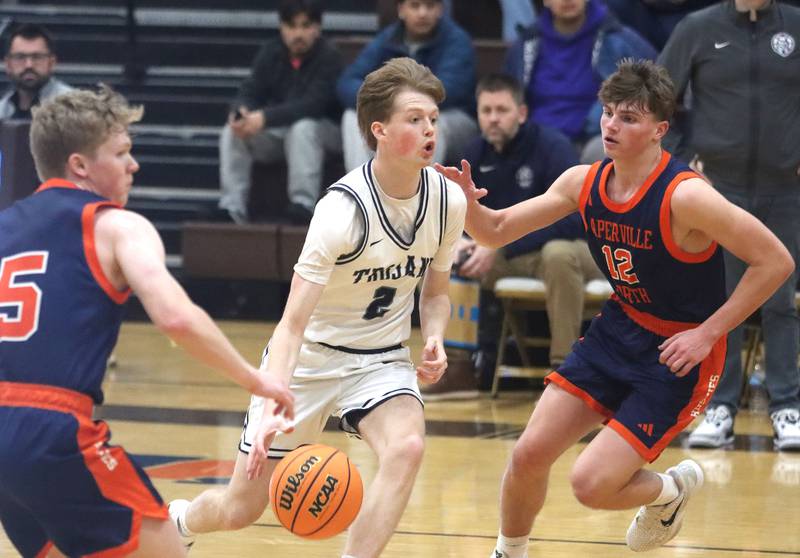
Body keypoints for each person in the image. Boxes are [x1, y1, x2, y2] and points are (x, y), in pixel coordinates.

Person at [436, 59, 793, 556]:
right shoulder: (583, 181)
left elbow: (775, 261)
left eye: (628, 117)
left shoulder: (687, 197)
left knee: (590, 484)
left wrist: (708, 333)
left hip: (678, 352)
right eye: (607, 113)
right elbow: (496, 231)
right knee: (528, 455)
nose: (611, 125)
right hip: (619, 329)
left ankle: (670, 492)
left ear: (659, 131)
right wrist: (469, 204)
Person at [169, 57, 466, 558]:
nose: (429, 129)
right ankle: (180, 522)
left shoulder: (446, 201)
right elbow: (291, 325)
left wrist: (434, 335)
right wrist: (269, 403)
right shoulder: (340, 212)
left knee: (407, 447)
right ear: (381, 130)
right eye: (415, 119)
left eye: (433, 119)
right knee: (241, 510)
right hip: (310, 359)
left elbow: (435, 292)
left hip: (380, 359)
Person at [0, 87, 294, 558]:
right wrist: (255, 380)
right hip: (53, 432)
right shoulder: (116, 225)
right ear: (80, 165)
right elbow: (176, 318)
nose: (133, 166)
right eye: (121, 153)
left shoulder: (5, 225)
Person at [658, 0, 800, 451]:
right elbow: (659, 100)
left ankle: (786, 406)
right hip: (720, 191)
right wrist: (681, 165)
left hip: (785, 188)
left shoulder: (796, 26)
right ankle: (718, 405)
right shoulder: (697, 28)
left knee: (781, 300)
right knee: (723, 302)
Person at [424, 73, 601, 398]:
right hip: (508, 252)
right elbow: (450, 207)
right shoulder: (472, 153)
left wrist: (497, 242)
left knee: (558, 254)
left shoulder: (552, 147)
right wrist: (462, 239)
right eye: (486, 111)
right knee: (452, 256)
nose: (493, 119)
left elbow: (576, 220)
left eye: (501, 110)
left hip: (568, 251)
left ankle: (564, 370)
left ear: (521, 113)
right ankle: (460, 368)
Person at [217, 0, 344, 224]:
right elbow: (251, 89)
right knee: (232, 131)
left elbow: (314, 105)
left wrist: (265, 118)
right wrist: (240, 111)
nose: (298, 33)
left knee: (303, 128)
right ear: (281, 27)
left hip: (326, 134)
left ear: (318, 28)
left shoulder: (329, 56)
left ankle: (303, 204)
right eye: (292, 26)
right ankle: (232, 208)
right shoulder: (272, 51)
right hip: (280, 133)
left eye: (306, 26)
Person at [504, 0, 657, 164]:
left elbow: (655, 82)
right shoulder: (527, 43)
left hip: (594, 138)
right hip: (537, 141)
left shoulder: (617, 38)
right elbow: (507, 94)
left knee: (602, 150)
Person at [337, 0, 478, 171]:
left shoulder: (457, 40)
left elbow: (447, 91)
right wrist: (386, 105)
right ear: (401, 9)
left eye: (430, 6)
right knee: (353, 115)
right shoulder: (388, 38)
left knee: (431, 122)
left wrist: (395, 104)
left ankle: (422, 193)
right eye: (415, 5)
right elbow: (348, 81)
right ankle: (362, 193)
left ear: (440, 10)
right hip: (397, 114)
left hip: (454, 120)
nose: (422, 13)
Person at [0, 23, 73, 120]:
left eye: (37, 57)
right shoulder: (2, 110)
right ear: (8, 64)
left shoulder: (72, 107)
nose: (29, 65)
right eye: (20, 57)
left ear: (52, 63)